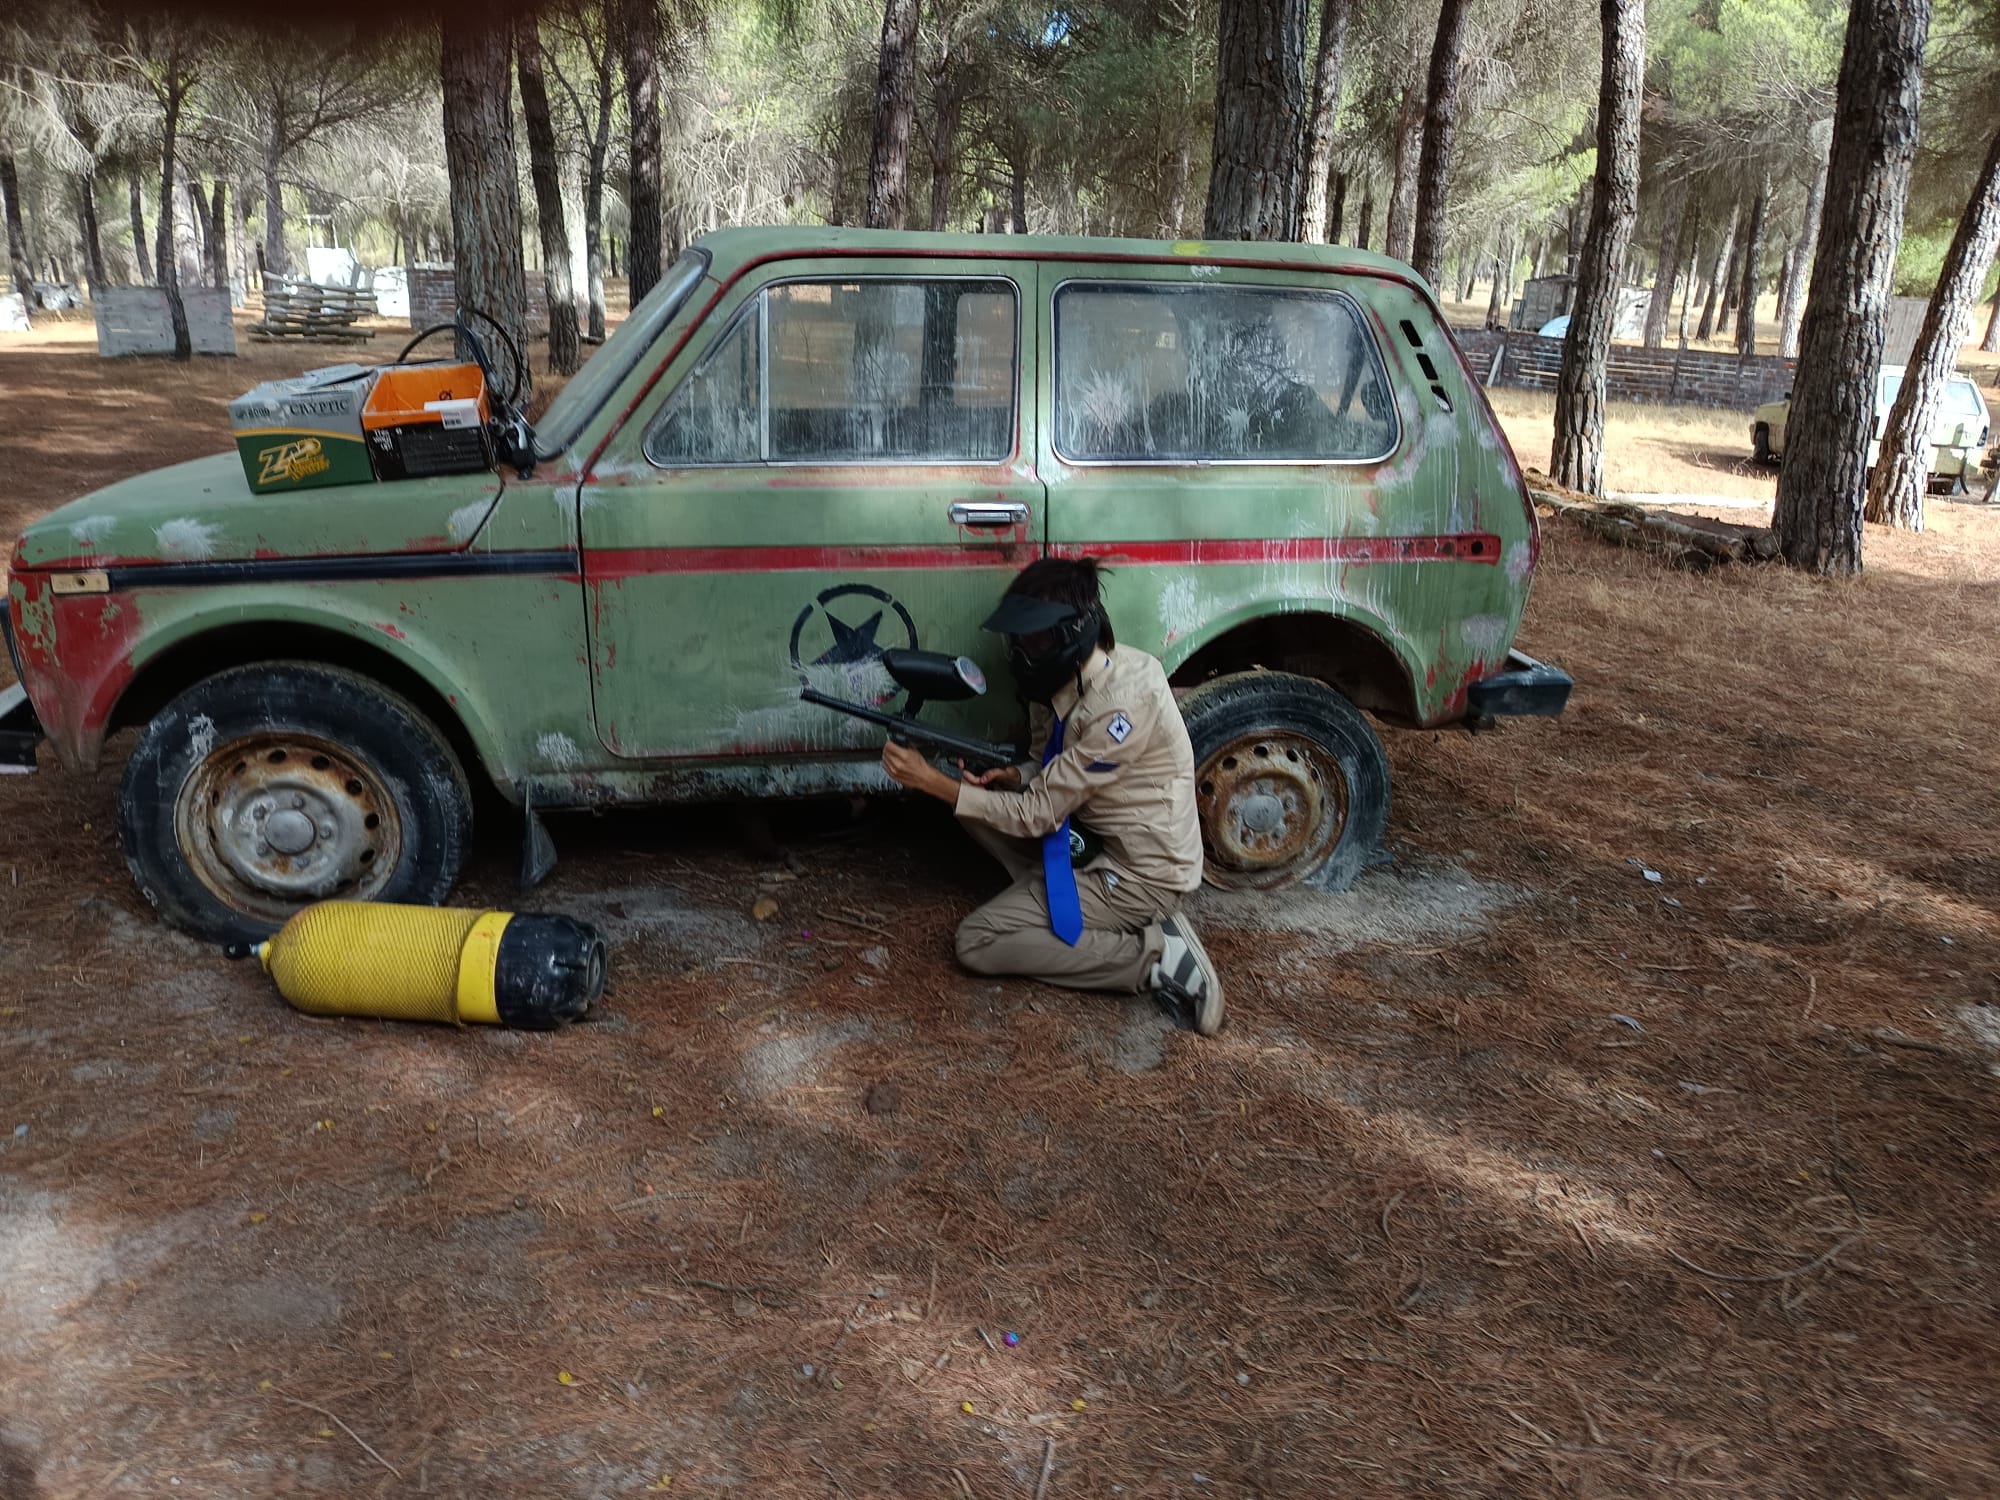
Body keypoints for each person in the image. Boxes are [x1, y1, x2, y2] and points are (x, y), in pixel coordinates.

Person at [879, 557, 1225, 1034]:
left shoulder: (1121, 705)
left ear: (1074, 634)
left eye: (1035, 641)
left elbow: (1040, 812)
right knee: (976, 810)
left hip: (1142, 873)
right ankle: (1060, 907)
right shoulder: (1060, 684)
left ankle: (1155, 956)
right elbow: (1046, 771)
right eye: (1017, 641)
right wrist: (1010, 776)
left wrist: (933, 783)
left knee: (977, 941)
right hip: (1092, 837)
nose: (1021, 653)